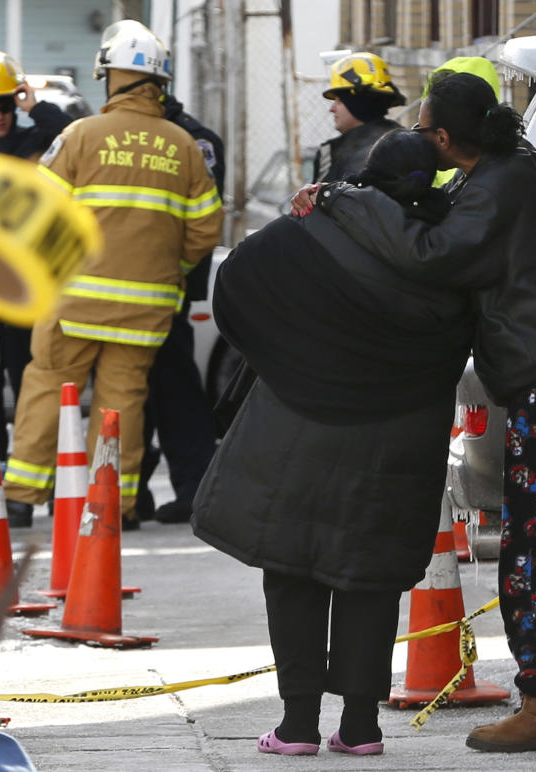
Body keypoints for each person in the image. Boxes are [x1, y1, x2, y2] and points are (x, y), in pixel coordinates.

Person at [305, 70, 536, 753]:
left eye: (422, 131)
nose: (420, 142)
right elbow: (444, 218)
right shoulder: (505, 172)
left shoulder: (501, 186)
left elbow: (432, 253)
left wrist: (343, 199)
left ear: (445, 138)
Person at [191, 129, 473, 757]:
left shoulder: (313, 224)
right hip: (397, 439)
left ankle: (295, 728)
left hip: (301, 423)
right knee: (368, 577)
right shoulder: (450, 253)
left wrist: (282, 358)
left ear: (368, 173)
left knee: (291, 568)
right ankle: (362, 727)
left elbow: (234, 288)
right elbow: (460, 345)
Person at [2, 20, 223, 529]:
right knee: (121, 404)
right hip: (144, 309)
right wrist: (170, 272)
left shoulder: (80, 136)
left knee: (46, 388)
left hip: (72, 301)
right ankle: (113, 505)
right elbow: (204, 229)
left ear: (113, 76)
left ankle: (19, 497)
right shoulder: (183, 146)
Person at [0, 49, 75, 462]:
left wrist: (35, 105)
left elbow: (72, 133)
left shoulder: (35, 143)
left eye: (5, 105)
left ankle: (29, 468)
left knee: (25, 376)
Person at [136, 94, 225, 524]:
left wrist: (178, 277)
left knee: (175, 393)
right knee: (142, 395)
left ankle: (194, 490)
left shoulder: (192, 140)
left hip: (166, 292)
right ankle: (134, 495)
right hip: (142, 288)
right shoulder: (143, 135)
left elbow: (200, 225)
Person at [312, 52, 405, 183]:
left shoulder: (332, 153)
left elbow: (318, 201)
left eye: (339, 101)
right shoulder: (407, 142)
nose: (332, 109)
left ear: (356, 103)